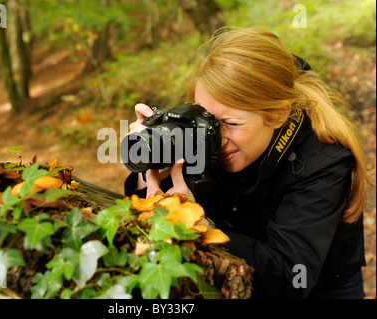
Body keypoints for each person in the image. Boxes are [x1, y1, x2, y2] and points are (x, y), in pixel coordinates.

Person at [124, 28, 374, 299]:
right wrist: (151, 164)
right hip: (236, 271)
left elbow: (290, 278)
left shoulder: (323, 160)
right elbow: (165, 200)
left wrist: (199, 224)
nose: (217, 139)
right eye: (207, 119)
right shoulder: (210, 127)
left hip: (321, 286)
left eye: (231, 124)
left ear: (278, 114)